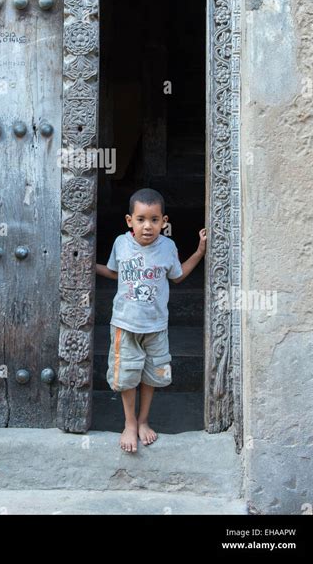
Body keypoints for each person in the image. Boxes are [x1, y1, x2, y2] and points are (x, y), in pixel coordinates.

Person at [96, 187, 206, 453]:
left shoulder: (168, 247)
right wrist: (83, 265)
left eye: (155, 220)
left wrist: (200, 251)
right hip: (124, 324)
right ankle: (130, 423)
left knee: (152, 375)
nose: (148, 226)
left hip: (156, 327)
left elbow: (177, 276)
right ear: (129, 221)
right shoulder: (121, 244)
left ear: (164, 222)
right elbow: (114, 272)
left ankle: (144, 420)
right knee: (126, 376)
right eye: (141, 219)